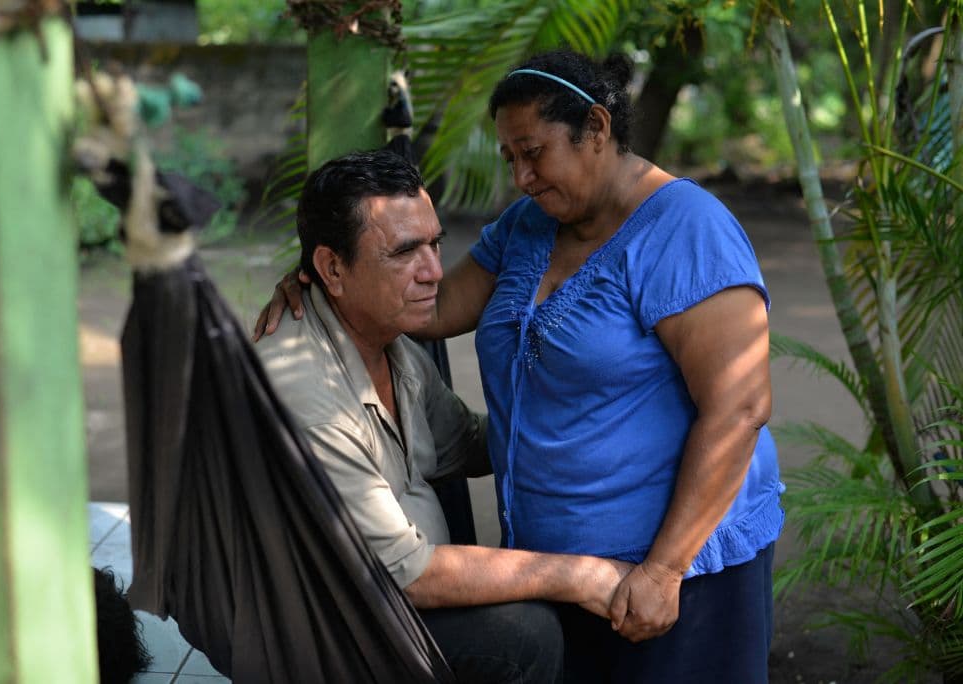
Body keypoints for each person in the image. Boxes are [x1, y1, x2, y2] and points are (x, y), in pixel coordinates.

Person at [255, 50, 784, 683]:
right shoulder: (529, 226)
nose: (522, 176)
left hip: (676, 570)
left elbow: (741, 406)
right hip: (560, 571)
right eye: (510, 158)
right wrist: (322, 283)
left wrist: (664, 570)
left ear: (595, 127)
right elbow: (427, 304)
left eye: (533, 152)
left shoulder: (686, 231)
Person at [256, 148, 634, 684]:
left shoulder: (388, 343)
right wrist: (577, 575)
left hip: (377, 593)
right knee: (525, 635)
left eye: (435, 244)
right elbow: (407, 574)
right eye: (405, 251)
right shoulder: (309, 399)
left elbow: (468, 442)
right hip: (321, 626)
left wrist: (593, 419)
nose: (435, 272)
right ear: (332, 269)